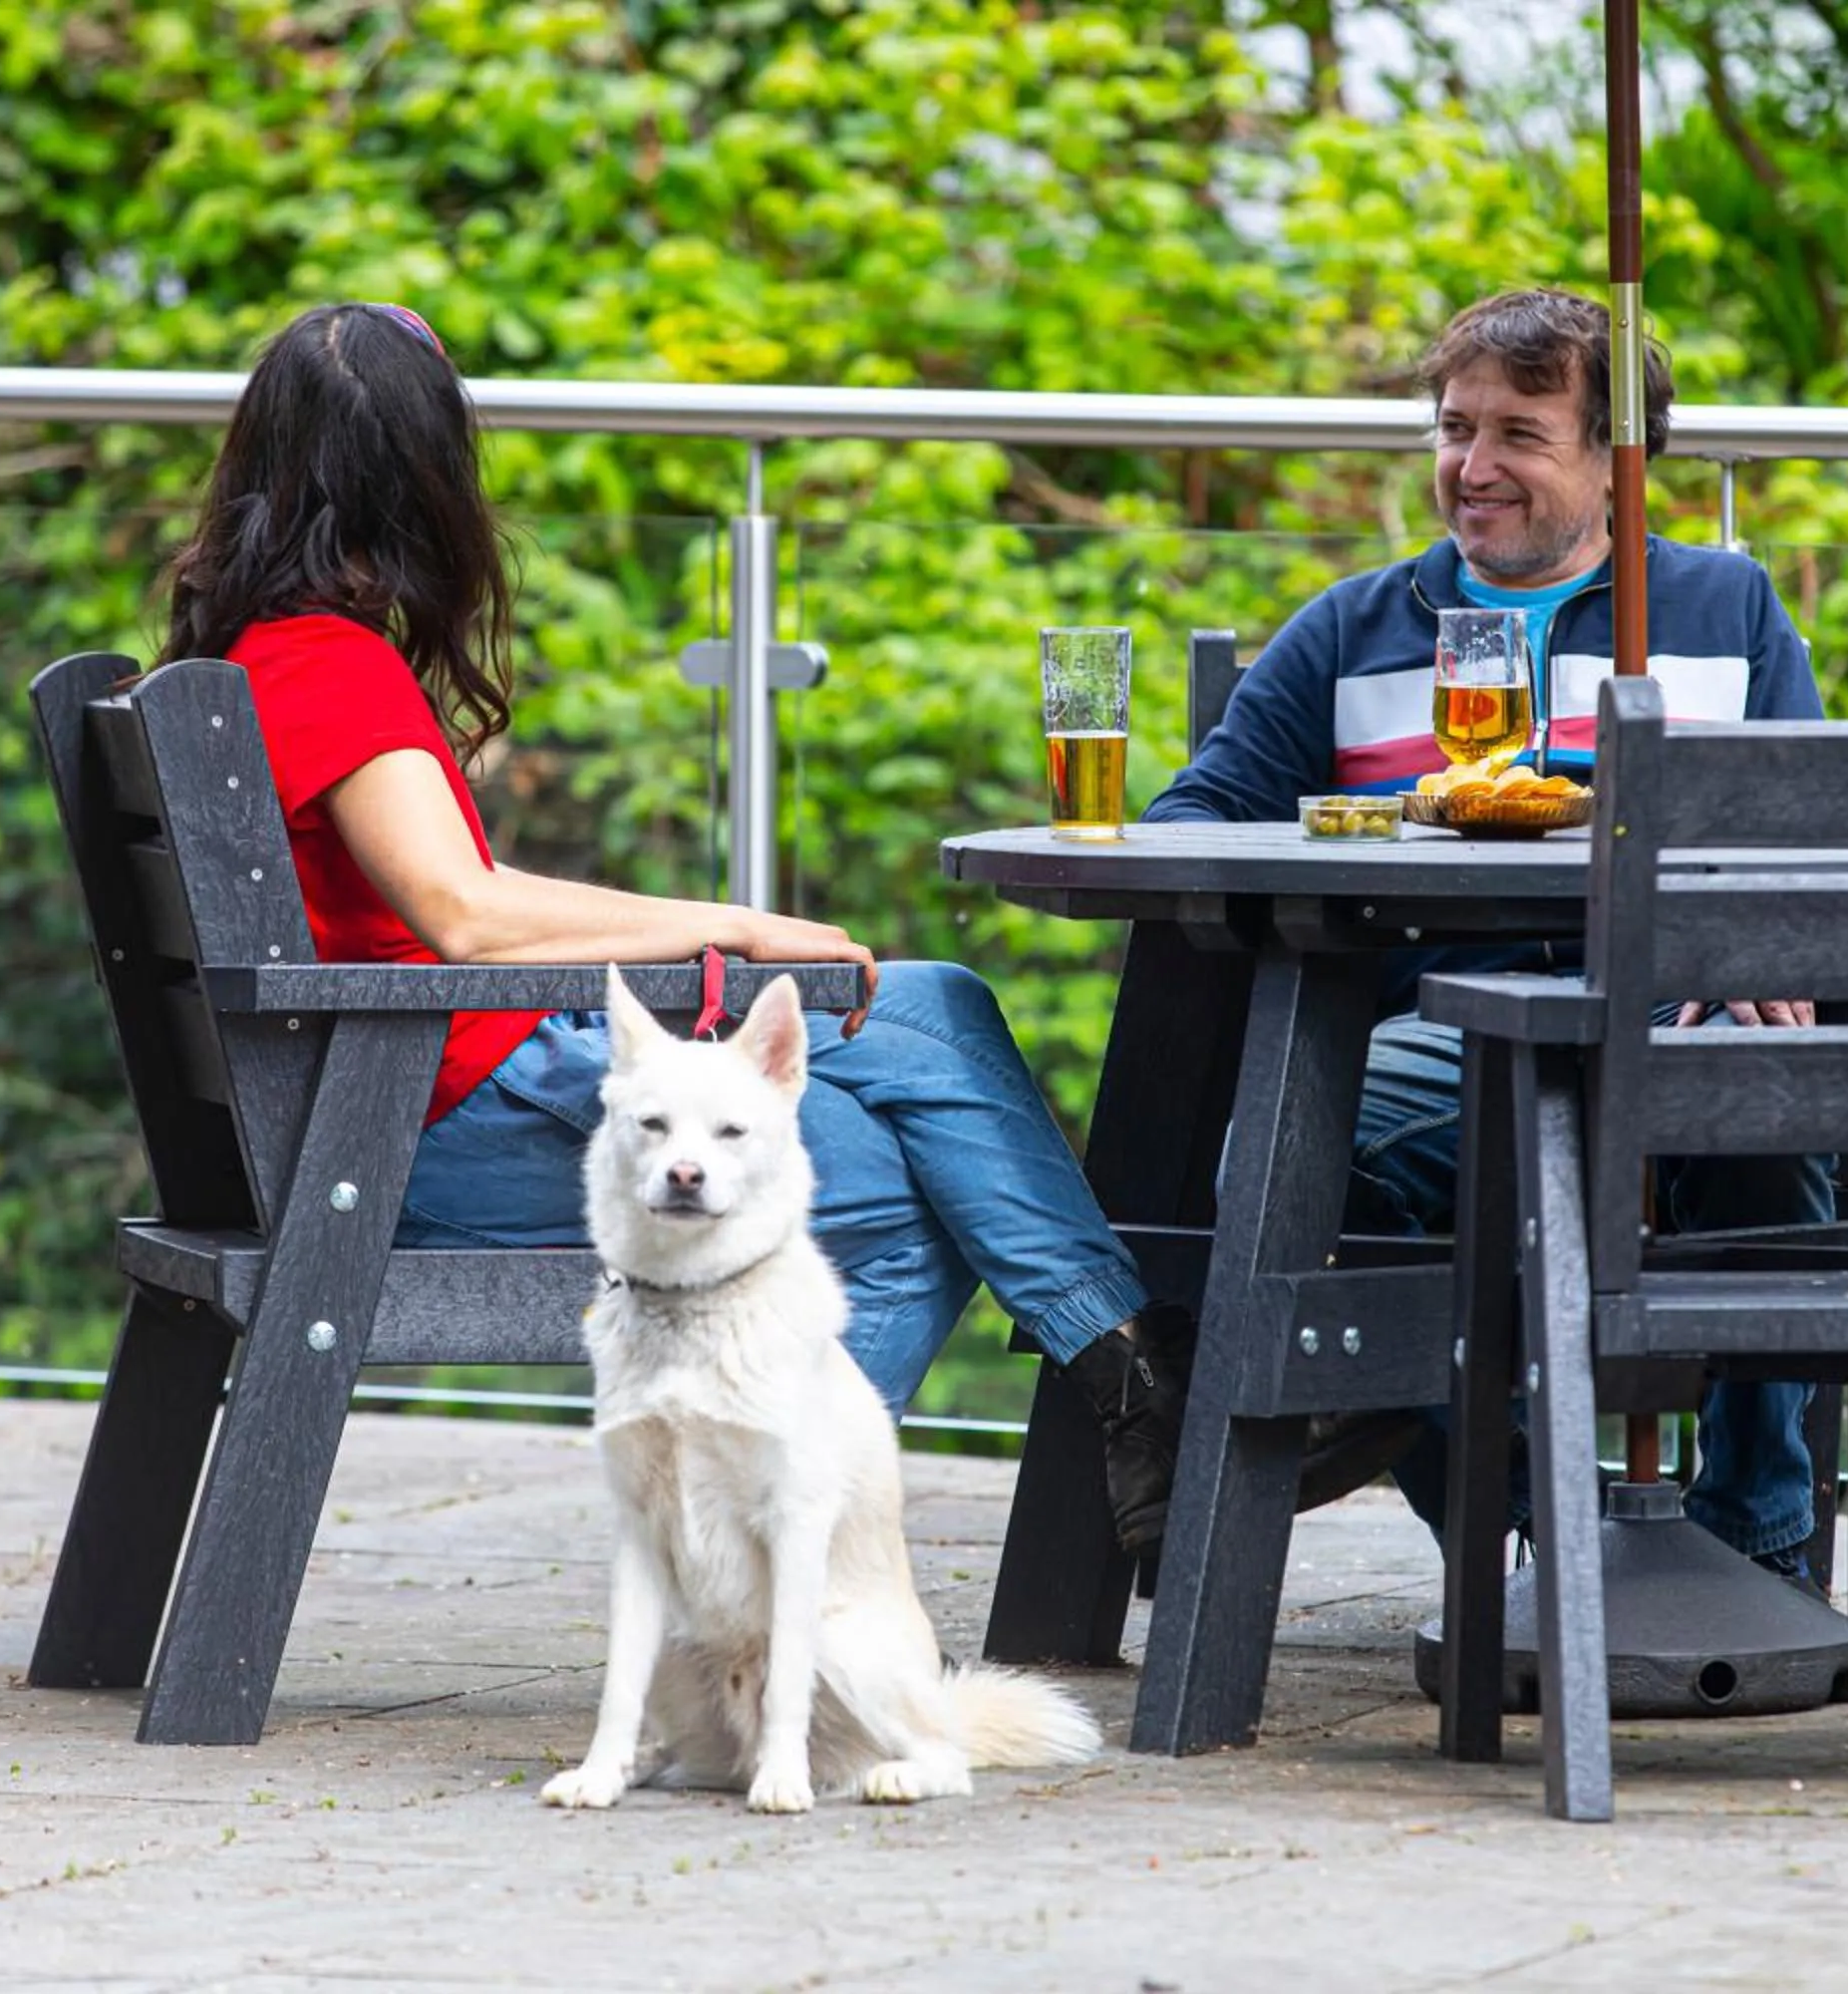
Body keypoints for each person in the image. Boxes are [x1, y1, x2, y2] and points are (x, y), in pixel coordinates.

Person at [160, 300, 1370, 1571]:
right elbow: (461, 908)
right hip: (416, 1121)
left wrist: (723, 947)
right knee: (894, 1195)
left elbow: (455, 899)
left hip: (443, 1076)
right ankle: (772, 1558)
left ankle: (1130, 1379)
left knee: (937, 1000)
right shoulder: (333, 667)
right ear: (419, 482)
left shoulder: (275, 652)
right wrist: (731, 924)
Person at [1144, 287, 1836, 1585]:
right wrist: (1377, 825)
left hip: (1667, 1017)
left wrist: (1759, 945)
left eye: (1520, 433)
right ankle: (1533, 1519)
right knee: (1291, 1153)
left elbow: (1804, 834)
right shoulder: (1350, 632)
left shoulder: (1721, 610)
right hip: (1436, 1033)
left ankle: (1755, 1536)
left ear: (1618, 459)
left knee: (1771, 1102)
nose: (1472, 468)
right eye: (1454, 429)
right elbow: (1191, 830)